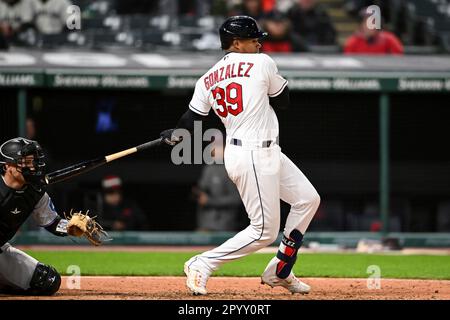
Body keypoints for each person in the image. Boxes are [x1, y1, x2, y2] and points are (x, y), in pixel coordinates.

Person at [160, 15, 320, 295]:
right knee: (263, 232)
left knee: (307, 199)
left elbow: (190, 121)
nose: (258, 43)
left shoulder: (208, 77)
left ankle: (279, 269)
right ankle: (203, 263)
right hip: (253, 154)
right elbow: (283, 101)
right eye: (253, 39)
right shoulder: (263, 62)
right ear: (236, 42)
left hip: (260, 151)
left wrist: (173, 134)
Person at [0, 137, 76, 295]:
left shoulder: (35, 192)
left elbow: (52, 222)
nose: (32, 167)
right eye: (25, 162)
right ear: (8, 166)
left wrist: (70, 227)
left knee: (48, 281)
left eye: (33, 161)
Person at [193, 136, 242, 232]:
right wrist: (198, 193)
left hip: (224, 226)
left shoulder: (230, 170)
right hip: (205, 224)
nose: (214, 149)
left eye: (218, 147)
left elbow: (236, 199)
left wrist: (209, 201)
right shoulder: (208, 169)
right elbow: (201, 192)